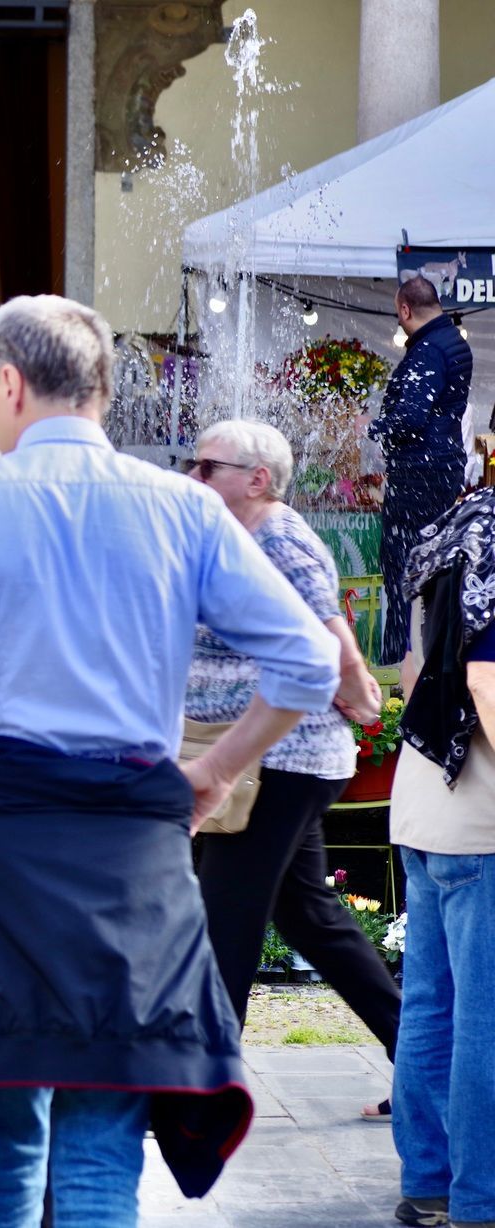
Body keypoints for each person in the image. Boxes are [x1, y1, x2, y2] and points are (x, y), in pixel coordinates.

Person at [0, 294, 341, 1226]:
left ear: (9, 383)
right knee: (99, 1165)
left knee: (0, 1166)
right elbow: (310, 660)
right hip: (133, 855)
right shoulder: (183, 507)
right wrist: (212, 773)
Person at [184, 420, 402, 1104]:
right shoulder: (241, 536)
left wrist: (363, 693)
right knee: (311, 918)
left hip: (280, 760)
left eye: (208, 466)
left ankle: (205, 1093)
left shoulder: (279, 539)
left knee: (228, 917)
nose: (194, 476)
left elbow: (330, 641)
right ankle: (425, 1067)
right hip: (276, 758)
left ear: (257, 478)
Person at [385, 487, 495, 1228]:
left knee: (430, 1002)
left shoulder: (450, 528)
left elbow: (408, 671)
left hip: (422, 794)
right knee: (483, 1015)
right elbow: (486, 680)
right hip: (480, 809)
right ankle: (479, 1197)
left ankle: (427, 1182)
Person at [370, 275, 473, 666]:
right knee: (431, 568)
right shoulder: (454, 343)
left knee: (401, 569)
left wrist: (373, 427)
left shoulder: (427, 351)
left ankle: (400, 665)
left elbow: (411, 418)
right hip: (443, 470)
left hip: (418, 475)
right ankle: (431, 660)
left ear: (405, 310)